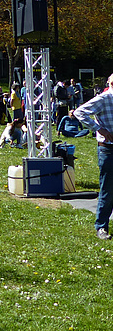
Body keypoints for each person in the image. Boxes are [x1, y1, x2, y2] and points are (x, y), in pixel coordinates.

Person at [73, 73, 113, 239]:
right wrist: (99, 129)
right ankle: (101, 227)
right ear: (110, 83)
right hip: (108, 149)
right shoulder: (104, 98)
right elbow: (79, 112)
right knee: (108, 189)